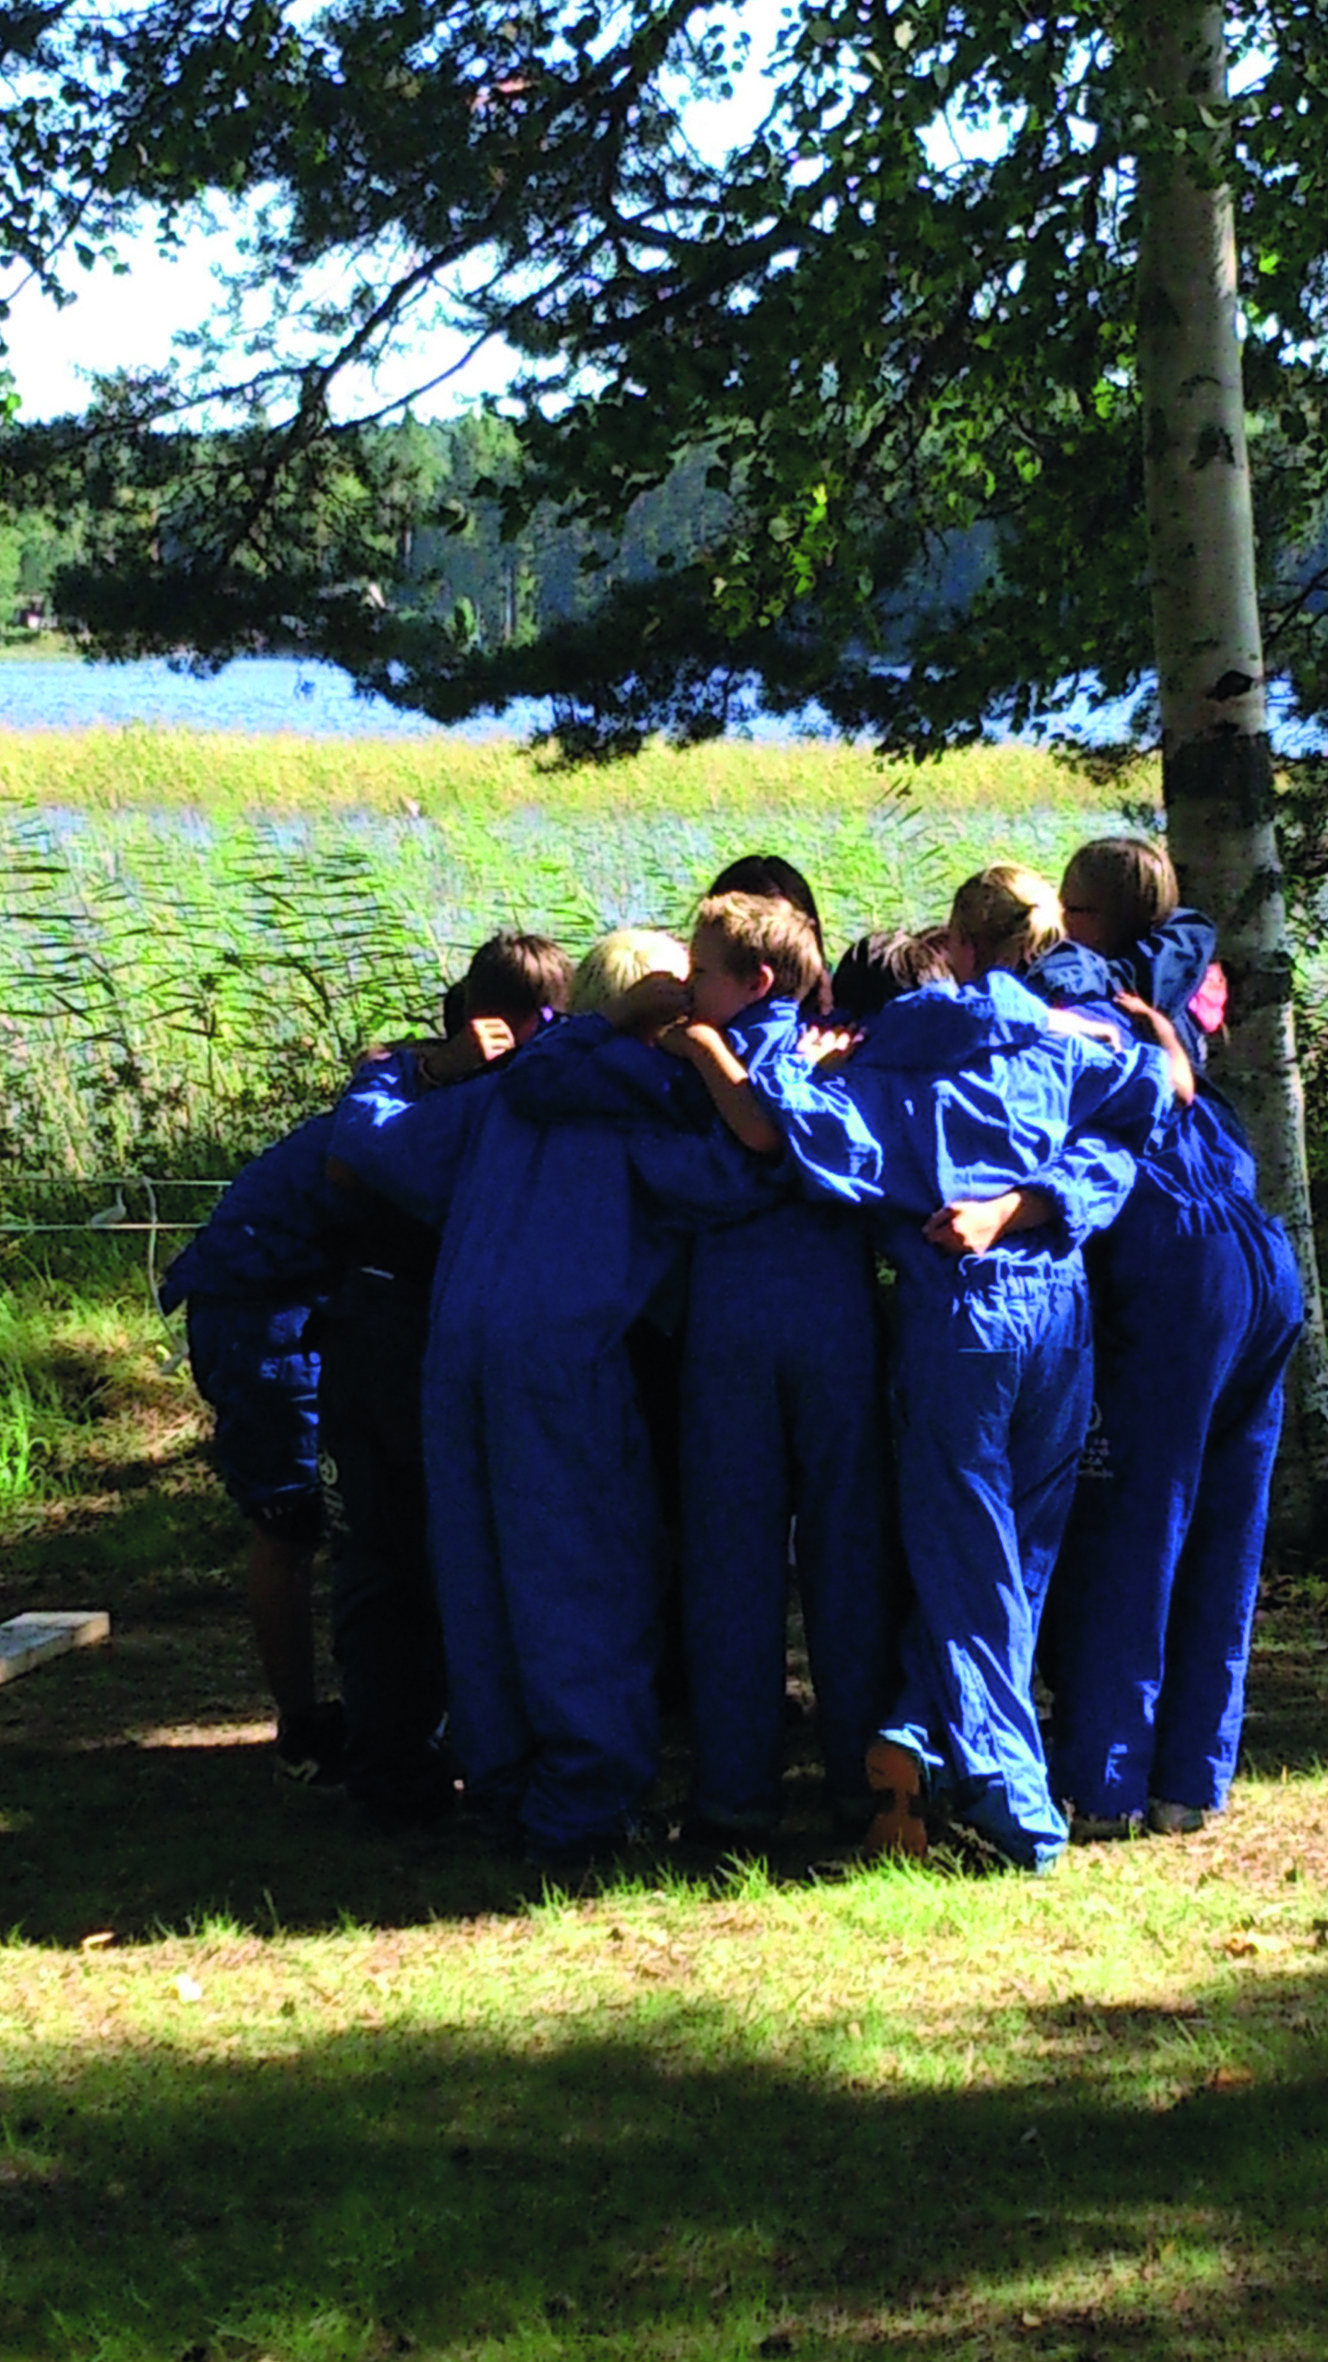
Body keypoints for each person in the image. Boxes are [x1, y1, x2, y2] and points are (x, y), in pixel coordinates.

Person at [661, 865, 1175, 1871]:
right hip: (1059, 1309)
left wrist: (795, 1070)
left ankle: (1009, 1806)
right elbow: (1148, 1096)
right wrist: (1030, 1203)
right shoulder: (1052, 1036)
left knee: (963, 1566)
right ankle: (914, 1735)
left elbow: (810, 1148)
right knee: (1018, 1557)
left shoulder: (879, 1063)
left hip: (963, 1319)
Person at [329, 928, 784, 1871]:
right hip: (561, 1353)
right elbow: (744, 1174)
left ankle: (500, 1785)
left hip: (457, 1345)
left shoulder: (506, 1092)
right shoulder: (644, 1097)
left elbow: (385, 1151)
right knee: (581, 1572)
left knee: (479, 1573)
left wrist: (399, 1068)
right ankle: (583, 1800)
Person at [1029, 843, 1304, 1837]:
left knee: (1135, 1517)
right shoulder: (1181, 972)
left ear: (1092, 917)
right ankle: (1191, 1775)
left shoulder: (1071, 992)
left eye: (1072, 911)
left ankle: (1103, 1780)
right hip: (1255, 1247)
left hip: (1172, 1262)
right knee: (1226, 1519)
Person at [317, 931, 574, 1829]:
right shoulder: (513, 1096)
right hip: (406, 1335)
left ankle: (403, 1754)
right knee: (417, 1550)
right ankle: (418, 1754)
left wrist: (414, 1069)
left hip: (384, 1329)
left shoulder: (416, 1088)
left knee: (390, 1553)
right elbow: (355, 1159)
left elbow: (355, 1153)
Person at [672, 893, 892, 1845]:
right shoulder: (839, 1053)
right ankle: (859, 1782)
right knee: (849, 1554)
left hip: (736, 1323)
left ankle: (736, 1792)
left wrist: (694, 1050)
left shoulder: (706, 1058)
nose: (687, 985)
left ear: (756, 982)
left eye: (700, 970)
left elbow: (710, 1160)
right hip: (836, 1318)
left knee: (732, 1554)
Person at [159, 1114, 354, 1787]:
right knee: (290, 1520)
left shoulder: (407, 1102)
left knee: (340, 1518)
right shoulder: (399, 1117)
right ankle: (303, 1729)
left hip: (283, 1304)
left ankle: (364, 1712)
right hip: (262, 1318)